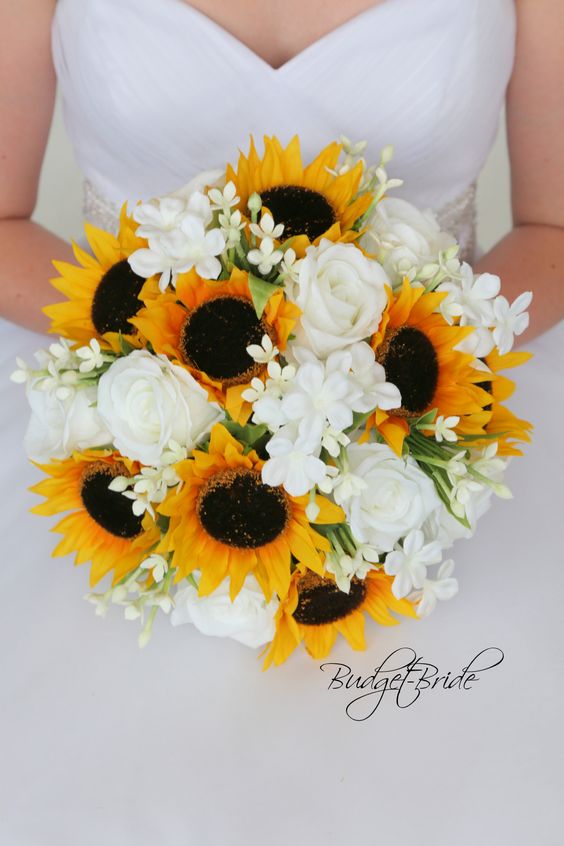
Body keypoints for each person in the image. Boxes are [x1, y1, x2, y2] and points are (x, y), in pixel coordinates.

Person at [0, 2, 562, 844]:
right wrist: (158, 361)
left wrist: (403, 385)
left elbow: (554, 231)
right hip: (114, 449)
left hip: (433, 449)